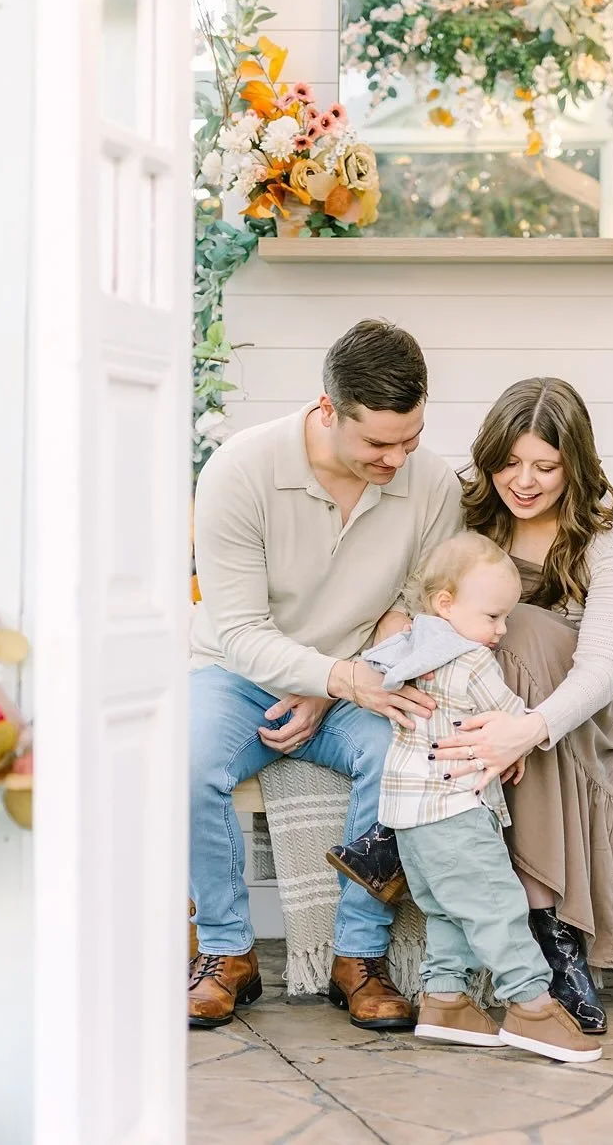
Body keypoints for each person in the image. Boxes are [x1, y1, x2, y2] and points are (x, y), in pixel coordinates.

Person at [187, 320, 462, 1031]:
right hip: (238, 674)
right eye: (377, 443)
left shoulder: (430, 482)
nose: (397, 458)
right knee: (186, 763)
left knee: (403, 754)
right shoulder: (238, 472)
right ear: (327, 410)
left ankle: (357, 959)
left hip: (357, 677)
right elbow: (242, 632)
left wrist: (332, 684)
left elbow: (415, 606)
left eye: (411, 437)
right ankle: (226, 953)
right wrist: (330, 678)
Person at [429, 377, 613, 1034]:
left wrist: (525, 730)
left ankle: (547, 932)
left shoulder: (607, 527)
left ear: (573, 463)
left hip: (585, 710)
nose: (522, 482)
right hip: (481, 698)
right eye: (509, 463)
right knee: (480, 641)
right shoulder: (466, 512)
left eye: (544, 467)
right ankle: (550, 940)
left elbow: (602, 666)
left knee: (519, 624)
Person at [330, 531, 602, 1063]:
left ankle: (446, 999)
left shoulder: (402, 650)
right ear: (445, 604)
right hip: (456, 811)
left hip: (410, 817)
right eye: (493, 617)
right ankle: (532, 1007)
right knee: (498, 907)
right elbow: (511, 717)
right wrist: (519, 739)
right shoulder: (470, 661)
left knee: (447, 911)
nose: (501, 631)